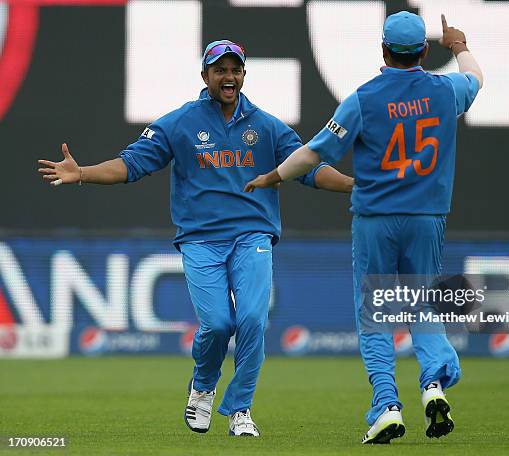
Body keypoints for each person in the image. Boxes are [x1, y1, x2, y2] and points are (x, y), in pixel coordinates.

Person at [38, 39, 353, 437]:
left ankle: (240, 409)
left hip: (252, 235)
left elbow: (308, 168)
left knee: (254, 319)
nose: (228, 77)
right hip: (201, 240)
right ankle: (202, 387)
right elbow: (132, 164)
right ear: (205, 77)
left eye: (235, 69)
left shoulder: (268, 126)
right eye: (220, 70)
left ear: (243, 75)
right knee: (219, 323)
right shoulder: (180, 123)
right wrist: (81, 172)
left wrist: (354, 187)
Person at [244, 12, 483, 444]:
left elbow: (313, 153)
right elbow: (476, 79)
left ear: (383, 50)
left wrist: (272, 176)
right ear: (424, 52)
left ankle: (388, 406)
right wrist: (460, 45)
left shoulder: (363, 99)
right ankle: (432, 385)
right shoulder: (445, 90)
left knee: (374, 315)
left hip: (375, 218)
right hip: (427, 218)